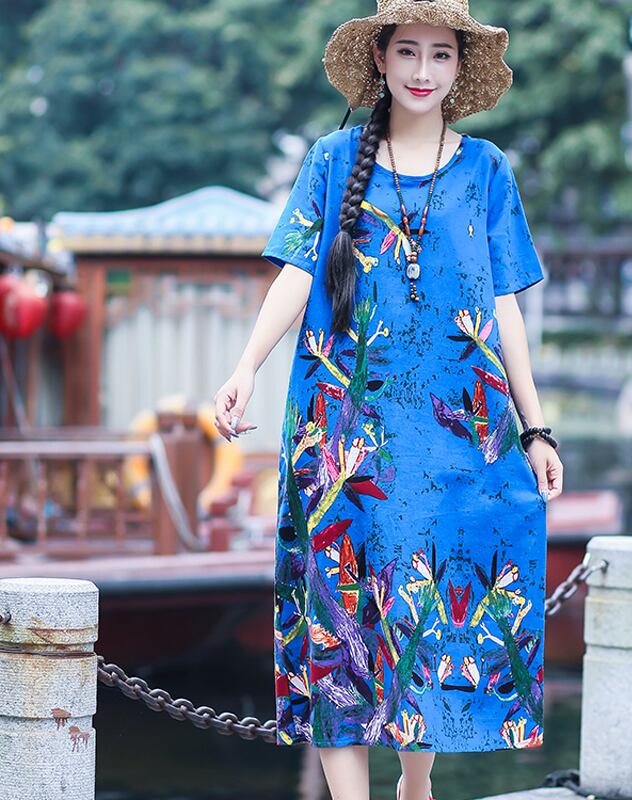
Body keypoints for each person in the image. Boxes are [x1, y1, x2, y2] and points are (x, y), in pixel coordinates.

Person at [213, 1, 564, 798]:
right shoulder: (333, 158)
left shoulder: (487, 170)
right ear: (379, 57)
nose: (421, 71)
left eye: (440, 54)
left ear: (459, 66)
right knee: (337, 619)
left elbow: (505, 304)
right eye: (407, 51)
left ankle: (416, 786)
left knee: (427, 610)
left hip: (455, 434)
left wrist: (536, 428)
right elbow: (298, 270)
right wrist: (247, 366)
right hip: (342, 431)